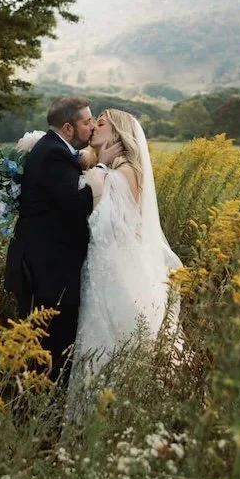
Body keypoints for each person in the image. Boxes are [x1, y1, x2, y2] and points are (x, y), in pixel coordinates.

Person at [68, 109, 183, 411]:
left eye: (101, 122)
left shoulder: (124, 173)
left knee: (107, 349)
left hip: (111, 274)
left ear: (117, 134)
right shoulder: (105, 168)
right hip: (102, 269)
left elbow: (105, 228)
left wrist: (97, 182)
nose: (93, 126)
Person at [4, 96, 122, 383]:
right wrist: (102, 172)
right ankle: (35, 418)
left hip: (49, 271)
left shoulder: (57, 150)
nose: (92, 126)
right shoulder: (54, 153)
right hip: (45, 275)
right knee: (45, 353)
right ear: (68, 128)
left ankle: (41, 415)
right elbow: (77, 206)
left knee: (47, 351)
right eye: (86, 122)